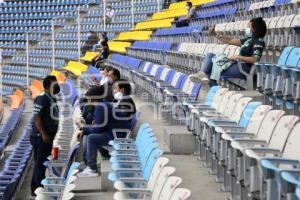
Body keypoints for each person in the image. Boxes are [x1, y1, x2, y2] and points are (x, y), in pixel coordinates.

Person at [77, 80, 136, 177]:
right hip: (116, 132)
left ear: (91, 98)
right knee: (93, 136)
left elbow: (98, 129)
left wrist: (84, 129)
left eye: (88, 99)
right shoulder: (103, 104)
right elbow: (100, 125)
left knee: (92, 138)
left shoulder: (100, 107)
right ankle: (99, 160)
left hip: (118, 135)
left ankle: (92, 169)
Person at [201, 17, 267, 86]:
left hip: (244, 67)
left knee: (209, 69)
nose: (246, 29)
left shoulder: (259, 41)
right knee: (210, 55)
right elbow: (229, 41)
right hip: (238, 65)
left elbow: (255, 59)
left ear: (254, 29)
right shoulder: (248, 40)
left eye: (248, 27)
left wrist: (238, 57)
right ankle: (204, 75)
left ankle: (207, 80)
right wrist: (214, 34)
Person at [30, 75, 60, 198]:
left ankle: (39, 188)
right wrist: (43, 134)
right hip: (40, 137)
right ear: (48, 86)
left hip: (47, 136)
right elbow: (36, 117)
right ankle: (37, 190)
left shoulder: (51, 98)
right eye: (55, 84)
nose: (57, 86)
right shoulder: (42, 98)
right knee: (39, 164)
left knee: (42, 163)